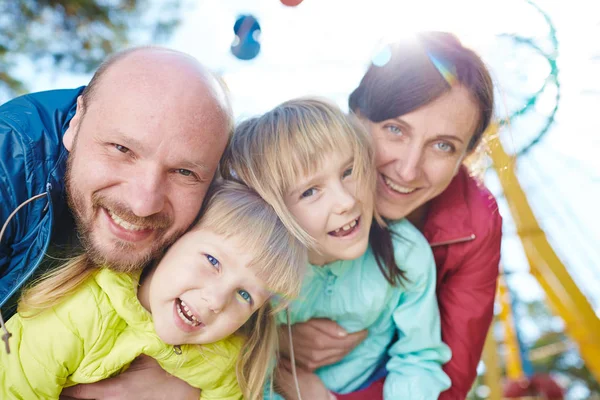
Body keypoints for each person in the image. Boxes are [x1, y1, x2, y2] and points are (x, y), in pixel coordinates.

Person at [0, 46, 232, 399]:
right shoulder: (9, 162)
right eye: (122, 149)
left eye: (184, 171)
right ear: (76, 123)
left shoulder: (213, 205)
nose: (142, 204)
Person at [281, 32, 503, 400]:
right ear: (356, 117)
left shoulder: (476, 224)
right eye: (395, 130)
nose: (408, 169)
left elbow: (446, 371)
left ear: (465, 156)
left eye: (443, 146)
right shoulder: (288, 174)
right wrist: (274, 339)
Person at [222, 98, 452, 399]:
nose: (345, 201)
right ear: (272, 211)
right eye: (310, 191)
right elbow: (240, 352)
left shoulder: (405, 253)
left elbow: (418, 358)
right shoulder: (258, 271)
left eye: (348, 171)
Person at [0, 181, 307, 400]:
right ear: (170, 241)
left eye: (245, 295)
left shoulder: (223, 361)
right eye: (213, 261)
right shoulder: (79, 312)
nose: (215, 301)